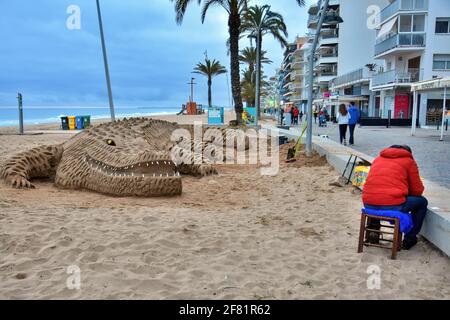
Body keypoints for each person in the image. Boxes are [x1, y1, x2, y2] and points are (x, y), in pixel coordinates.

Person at [362, 145, 427, 250]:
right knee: (422, 202)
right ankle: (409, 239)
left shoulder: (378, 159)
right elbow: (417, 190)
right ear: (409, 153)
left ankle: (373, 234)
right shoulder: (408, 161)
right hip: (392, 205)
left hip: (368, 203)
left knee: (379, 197)